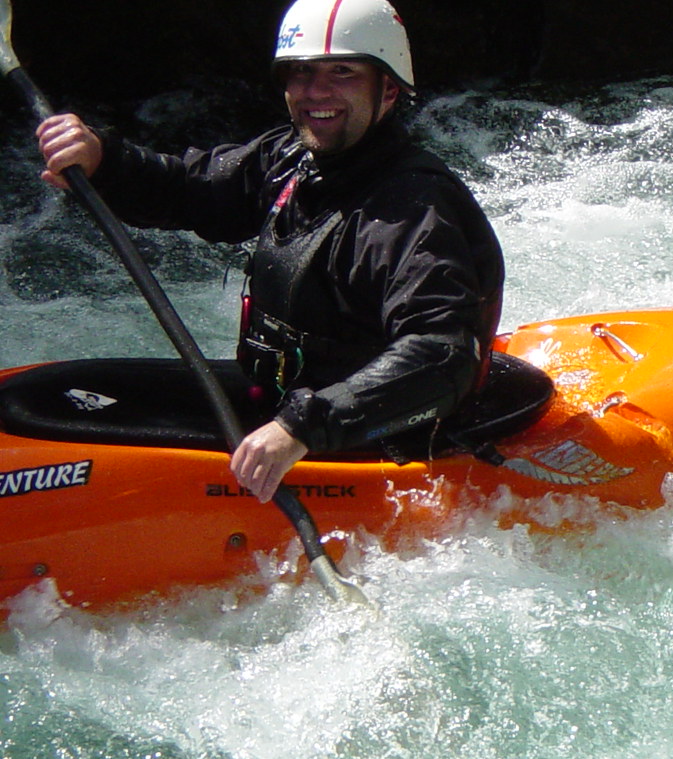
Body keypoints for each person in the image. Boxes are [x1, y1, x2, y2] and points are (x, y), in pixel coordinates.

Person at [35, 0, 504, 504]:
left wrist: (301, 427)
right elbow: (191, 189)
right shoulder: (293, 159)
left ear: (388, 89)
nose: (315, 91)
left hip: (367, 441)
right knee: (48, 397)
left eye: (342, 72)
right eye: (301, 72)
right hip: (286, 406)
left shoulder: (414, 211)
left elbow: (441, 353)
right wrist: (103, 159)